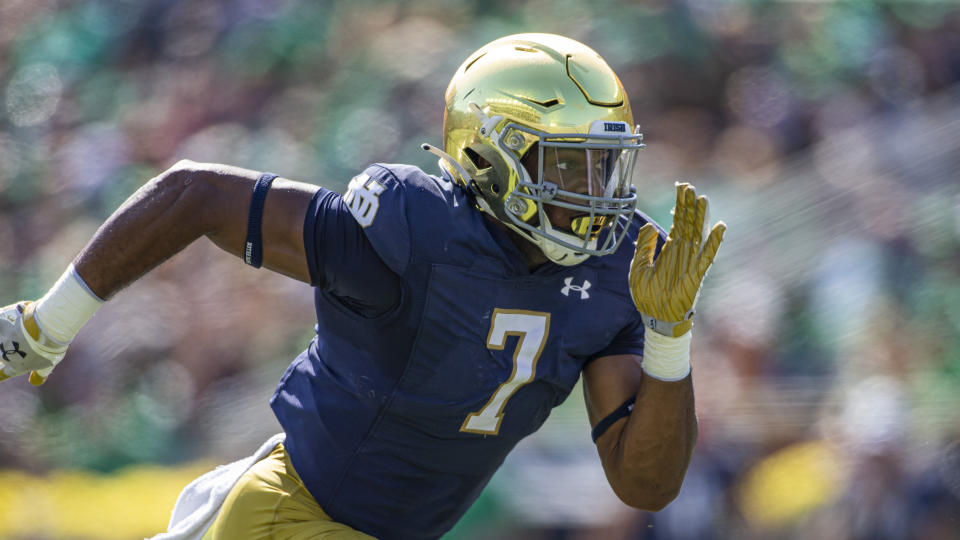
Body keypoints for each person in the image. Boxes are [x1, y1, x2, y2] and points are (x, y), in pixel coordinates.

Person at [0, 33, 725, 539]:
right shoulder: (415, 231)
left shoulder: (614, 273)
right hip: (293, 518)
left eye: (606, 167)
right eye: (570, 168)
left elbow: (645, 486)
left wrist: (669, 336)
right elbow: (197, 195)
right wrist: (46, 324)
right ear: (488, 151)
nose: (596, 195)